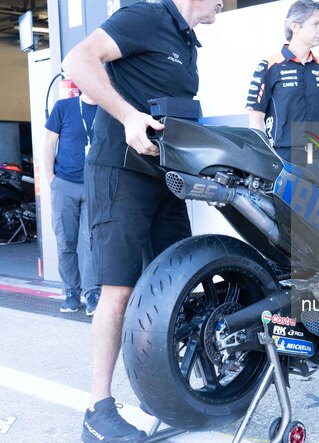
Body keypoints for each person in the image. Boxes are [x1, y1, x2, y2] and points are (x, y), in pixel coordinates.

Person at [61, 0, 223, 441]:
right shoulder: (146, 16)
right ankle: (97, 409)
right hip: (120, 171)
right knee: (120, 289)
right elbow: (77, 60)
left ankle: (179, 390)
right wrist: (128, 115)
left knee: (176, 283)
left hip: (164, 177)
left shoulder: (188, 41)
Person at [246, 0, 319, 163]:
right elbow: (255, 118)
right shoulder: (269, 66)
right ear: (295, 26)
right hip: (283, 156)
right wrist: (267, 157)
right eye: (316, 24)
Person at [44, 93, 101, 316]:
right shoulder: (63, 107)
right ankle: (71, 292)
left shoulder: (107, 109)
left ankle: (93, 292)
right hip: (64, 184)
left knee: (93, 242)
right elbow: (49, 143)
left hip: (94, 186)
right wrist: (51, 180)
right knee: (65, 241)